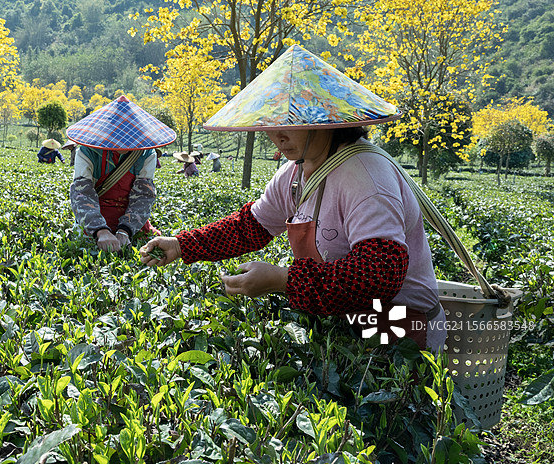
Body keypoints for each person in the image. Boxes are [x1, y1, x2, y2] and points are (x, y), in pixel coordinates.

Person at [140, 44, 446, 351]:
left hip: (402, 331)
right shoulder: (295, 173)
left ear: (325, 118)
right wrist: (181, 245)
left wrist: (283, 280)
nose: (277, 135)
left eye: (289, 123)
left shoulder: (365, 176)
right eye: (271, 124)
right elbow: (250, 227)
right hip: (345, 326)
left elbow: (379, 272)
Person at [68, 95, 176, 252]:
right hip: (96, 219)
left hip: (131, 222)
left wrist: (125, 231)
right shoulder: (87, 152)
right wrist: (101, 231)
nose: (123, 144)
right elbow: (82, 194)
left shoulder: (147, 154)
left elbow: (144, 197)